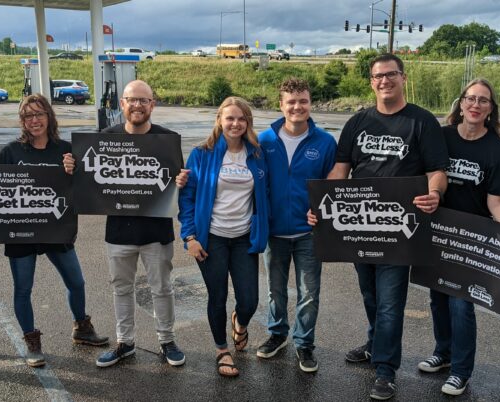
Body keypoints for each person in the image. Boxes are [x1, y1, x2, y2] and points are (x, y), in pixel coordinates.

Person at [309, 53, 449, 400]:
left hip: (399, 231)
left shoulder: (422, 121)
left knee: (390, 302)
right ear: (371, 82)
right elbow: (341, 170)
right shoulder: (358, 122)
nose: (384, 81)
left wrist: (434, 194)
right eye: (377, 76)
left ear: (403, 77)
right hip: (359, 226)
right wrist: (321, 207)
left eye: (391, 75)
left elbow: (437, 171)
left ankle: (385, 370)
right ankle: (375, 344)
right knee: (370, 294)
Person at [64, 80, 187, 368]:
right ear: (122, 104)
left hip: (156, 230)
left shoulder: (167, 139)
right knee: (121, 289)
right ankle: (125, 342)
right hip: (119, 231)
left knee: (162, 288)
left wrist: (181, 181)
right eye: (132, 100)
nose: (138, 105)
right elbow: (88, 182)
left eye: (144, 100)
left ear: (152, 105)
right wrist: (72, 169)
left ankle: (167, 340)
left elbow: (177, 181)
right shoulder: (105, 138)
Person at [416, 79, 500, 396]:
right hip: (437, 231)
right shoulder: (441, 137)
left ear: (490, 109)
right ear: (461, 104)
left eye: (483, 101)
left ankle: (461, 370)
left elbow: (497, 201)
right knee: (438, 298)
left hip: (472, 239)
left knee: (461, 303)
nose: (475, 104)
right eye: (470, 98)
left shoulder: (498, 150)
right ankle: (443, 354)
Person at [0, 94, 108, 368]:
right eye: (27, 116)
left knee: (77, 282)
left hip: (56, 228)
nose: (34, 120)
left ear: (49, 116)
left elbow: (84, 190)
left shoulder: (66, 149)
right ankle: (31, 341)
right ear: (22, 121)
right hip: (22, 232)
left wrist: (74, 172)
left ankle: (82, 328)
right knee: (23, 289)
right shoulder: (11, 152)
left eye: (39, 114)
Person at [178, 96, 270, 377]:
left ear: (248, 123)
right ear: (219, 120)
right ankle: (221, 350)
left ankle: (239, 324)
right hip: (212, 238)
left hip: (244, 238)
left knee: (250, 300)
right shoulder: (202, 153)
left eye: (241, 118)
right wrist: (189, 237)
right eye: (230, 118)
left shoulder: (256, 153)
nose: (236, 123)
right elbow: (188, 198)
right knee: (217, 296)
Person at [256, 77, 336, 373]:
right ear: (281, 105)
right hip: (273, 232)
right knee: (275, 290)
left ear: (310, 103)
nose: (297, 107)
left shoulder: (325, 142)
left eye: (303, 101)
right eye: (291, 102)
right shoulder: (263, 140)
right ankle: (277, 335)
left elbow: (333, 186)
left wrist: (322, 213)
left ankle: (304, 343)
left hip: (309, 233)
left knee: (309, 292)